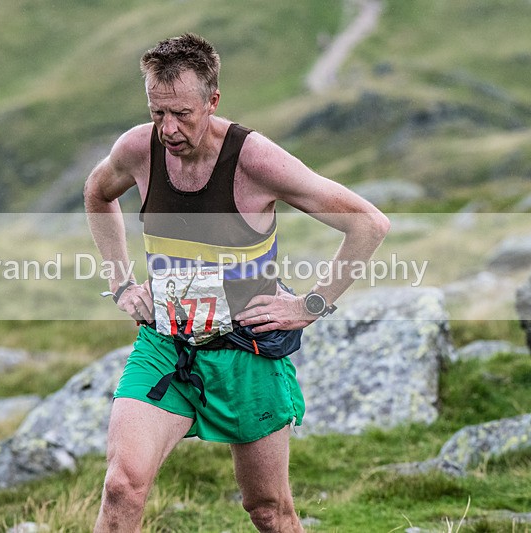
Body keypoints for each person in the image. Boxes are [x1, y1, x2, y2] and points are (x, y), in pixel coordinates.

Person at [84, 33, 389, 532]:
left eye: (182, 113)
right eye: (158, 112)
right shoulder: (138, 149)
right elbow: (98, 195)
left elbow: (368, 223)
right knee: (122, 486)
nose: (168, 128)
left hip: (246, 351)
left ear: (213, 100)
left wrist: (311, 305)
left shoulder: (254, 160)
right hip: (167, 345)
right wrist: (121, 283)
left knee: (268, 510)